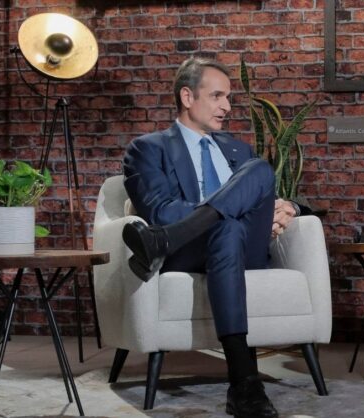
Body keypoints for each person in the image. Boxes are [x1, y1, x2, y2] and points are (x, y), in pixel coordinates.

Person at [121, 57, 308, 418]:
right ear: (187, 96)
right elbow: (159, 213)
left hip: (241, 248)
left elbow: (262, 196)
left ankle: (163, 241)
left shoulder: (238, 150)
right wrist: (224, 215)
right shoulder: (148, 148)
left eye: (229, 98)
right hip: (192, 252)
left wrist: (292, 207)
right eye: (217, 96)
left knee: (260, 170)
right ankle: (244, 384)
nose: (227, 107)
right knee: (228, 226)